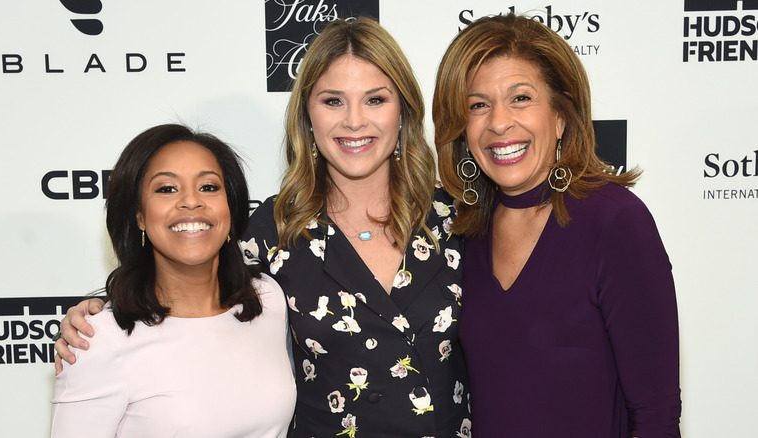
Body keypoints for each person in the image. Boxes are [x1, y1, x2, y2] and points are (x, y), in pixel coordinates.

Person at [54, 18, 471, 438]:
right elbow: (192, 287)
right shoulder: (274, 229)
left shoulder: (457, 218)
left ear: (404, 111)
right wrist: (102, 315)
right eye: (333, 101)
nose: (354, 121)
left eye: (375, 99)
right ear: (307, 116)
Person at [433, 13, 682, 437]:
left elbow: (656, 415)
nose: (498, 122)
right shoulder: (463, 232)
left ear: (561, 116)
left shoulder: (615, 222)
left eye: (520, 98)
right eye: (478, 105)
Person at [50, 124, 296, 438]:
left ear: (230, 207)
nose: (191, 201)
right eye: (167, 189)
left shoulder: (267, 299)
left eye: (208, 187)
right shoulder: (98, 340)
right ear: (139, 216)